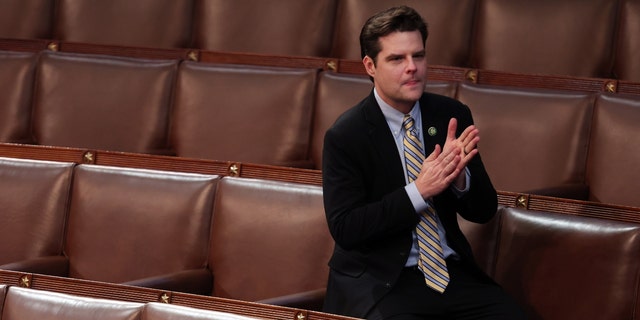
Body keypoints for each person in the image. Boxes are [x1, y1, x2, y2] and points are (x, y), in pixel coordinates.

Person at [321, 5, 525, 320]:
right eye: (397, 59)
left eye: (418, 56)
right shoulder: (347, 135)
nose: (412, 67)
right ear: (370, 66)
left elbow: (484, 211)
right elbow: (347, 228)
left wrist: (458, 179)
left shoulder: (449, 115)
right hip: (384, 281)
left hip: (451, 273)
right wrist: (419, 190)